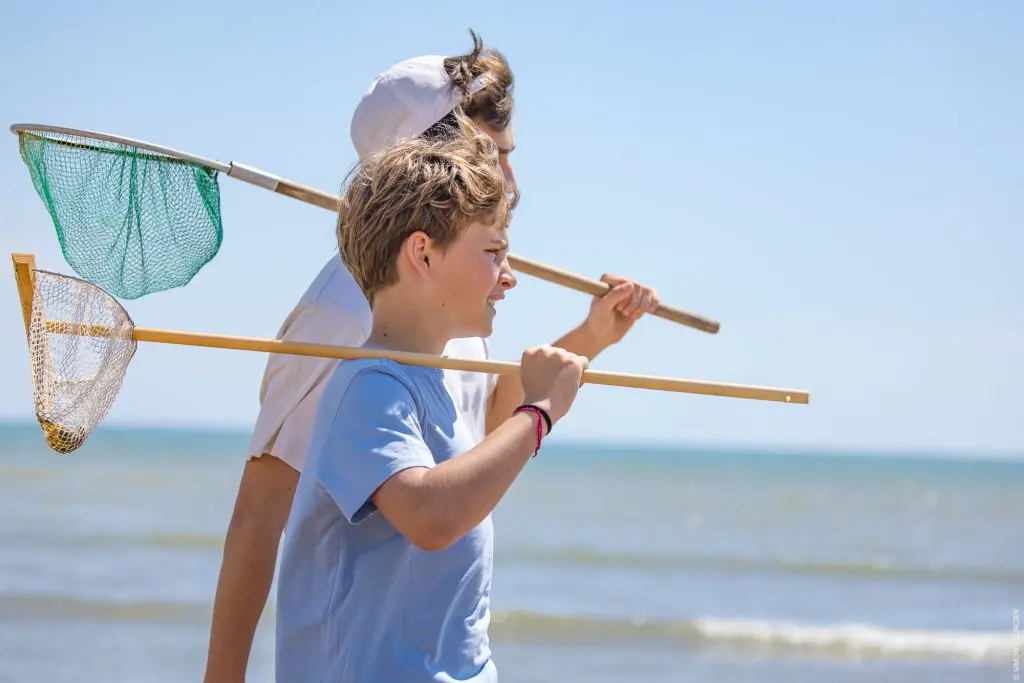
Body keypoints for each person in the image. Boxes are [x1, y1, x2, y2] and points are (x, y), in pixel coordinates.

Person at [202, 30, 659, 683]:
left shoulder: (447, 312)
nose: (510, 178)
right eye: (494, 154)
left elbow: (474, 429)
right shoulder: (343, 316)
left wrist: (590, 337)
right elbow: (260, 516)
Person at [276, 113, 585, 683]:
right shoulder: (369, 386)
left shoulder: (430, 381)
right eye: (493, 251)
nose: (509, 277)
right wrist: (539, 414)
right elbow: (431, 516)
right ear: (422, 254)